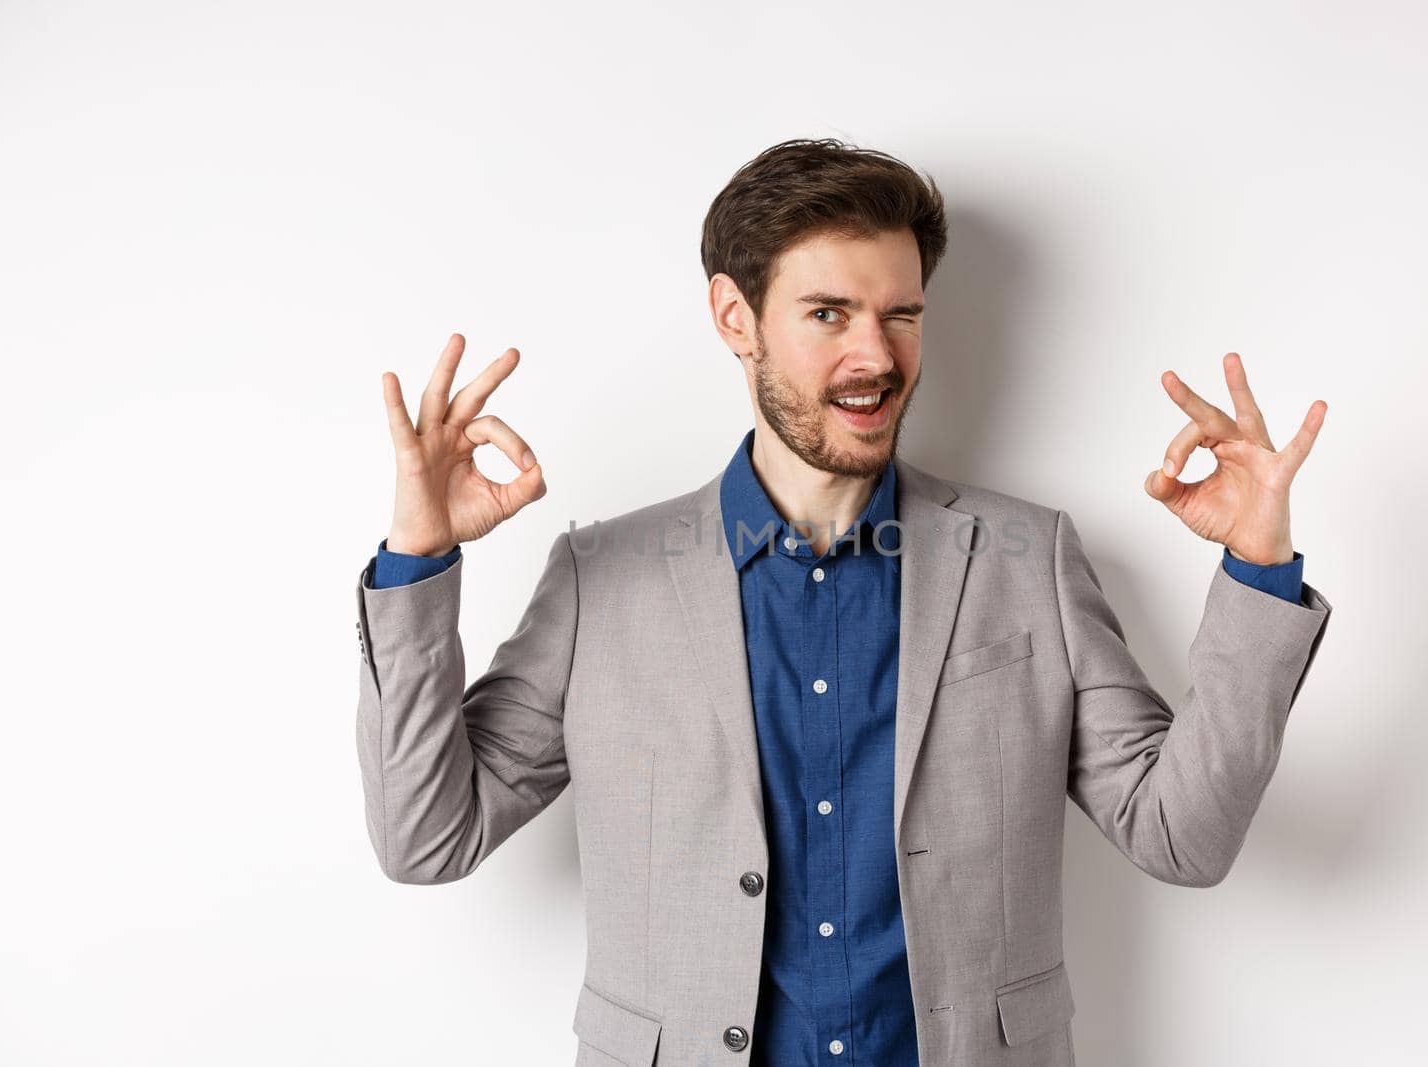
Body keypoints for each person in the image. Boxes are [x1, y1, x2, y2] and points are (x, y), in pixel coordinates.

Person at [351, 138, 1332, 1067]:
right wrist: (418, 556)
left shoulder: (1027, 559)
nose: (876, 355)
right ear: (736, 317)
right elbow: (428, 837)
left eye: (901, 314)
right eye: (828, 313)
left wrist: (1257, 566)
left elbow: (1181, 836)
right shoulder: (600, 579)